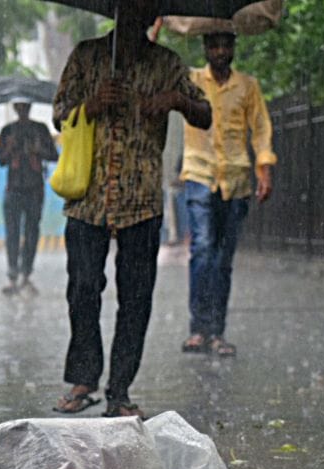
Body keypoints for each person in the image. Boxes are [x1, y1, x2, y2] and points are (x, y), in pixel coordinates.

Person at [50, 0, 211, 419]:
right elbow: (59, 114)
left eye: (144, 12)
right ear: (116, 13)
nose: (135, 19)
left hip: (141, 201)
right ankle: (84, 377)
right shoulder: (87, 56)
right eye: (128, 11)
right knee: (83, 288)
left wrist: (175, 99)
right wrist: (92, 103)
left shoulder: (168, 64)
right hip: (88, 200)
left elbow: (205, 115)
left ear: (153, 18)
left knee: (136, 298)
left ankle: (119, 391)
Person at [179, 31, 276, 357]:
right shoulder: (190, 80)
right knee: (203, 249)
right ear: (205, 48)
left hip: (235, 179)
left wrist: (264, 167)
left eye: (226, 45)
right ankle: (198, 329)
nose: (220, 51)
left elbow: (261, 127)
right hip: (199, 173)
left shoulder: (247, 86)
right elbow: (157, 77)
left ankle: (217, 332)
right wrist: (156, 28)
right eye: (214, 45)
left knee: (222, 259)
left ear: (233, 48)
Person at [0, 98, 58, 295]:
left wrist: (38, 150)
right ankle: (13, 276)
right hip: (13, 189)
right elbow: (1, 160)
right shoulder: (8, 131)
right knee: (12, 233)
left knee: (32, 233)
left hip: (34, 189)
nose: (23, 110)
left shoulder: (40, 129)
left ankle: (26, 275)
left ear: (30, 107)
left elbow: (54, 155)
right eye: (19, 106)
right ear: (15, 108)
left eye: (26, 106)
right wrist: (10, 147)